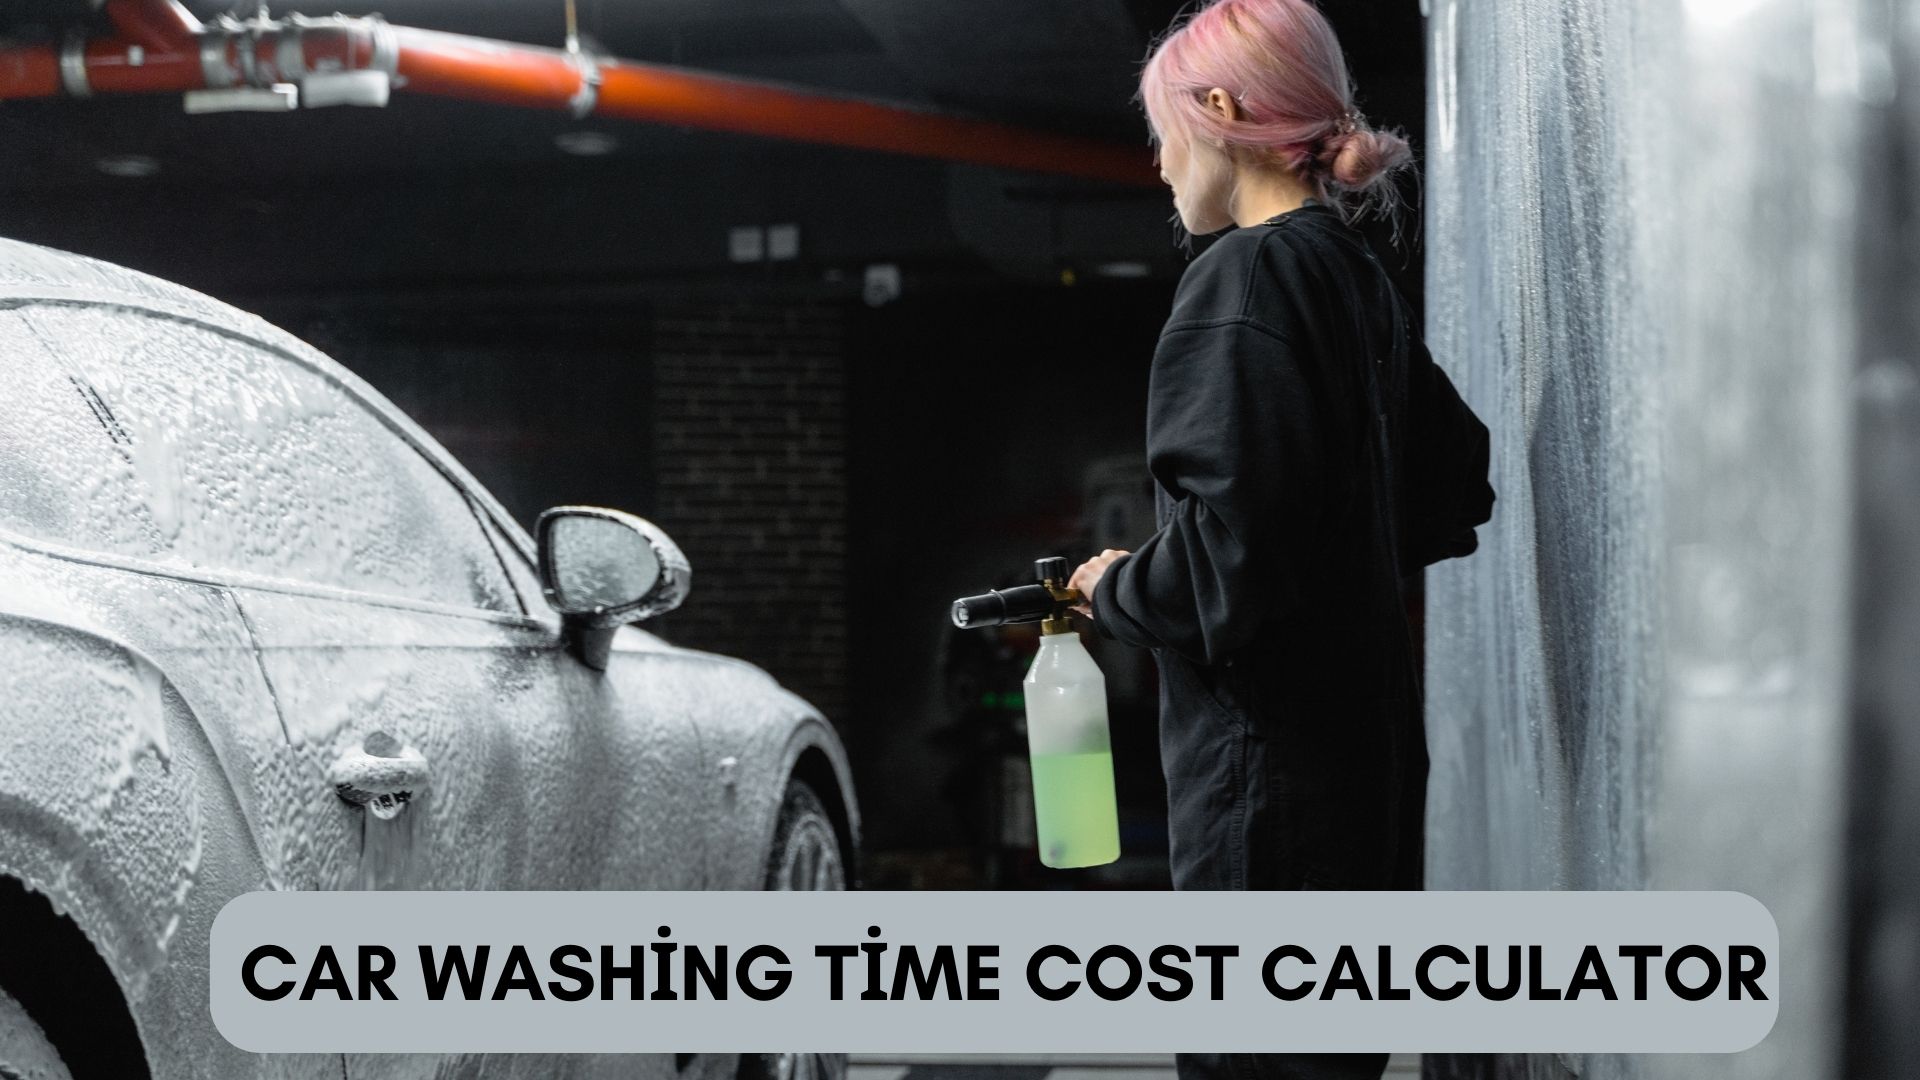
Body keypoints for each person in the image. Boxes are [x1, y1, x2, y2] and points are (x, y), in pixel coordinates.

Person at [1065, 2, 1496, 1079]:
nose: (1162, 167)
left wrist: (1116, 587)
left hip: (1270, 796)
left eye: (1167, 132)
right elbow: (1455, 484)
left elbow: (1227, 561)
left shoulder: (1246, 279)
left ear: (1219, 113)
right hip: (1365, 776)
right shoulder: (1355, 281)